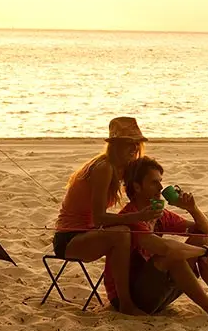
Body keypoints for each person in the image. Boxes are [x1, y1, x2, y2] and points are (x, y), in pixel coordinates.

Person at [106, 157, 208, 319]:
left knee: (200, 240)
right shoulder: (130, 217)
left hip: (155, 290)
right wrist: (204, 252)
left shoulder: (159, 214)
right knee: (174, 257)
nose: (160, 188)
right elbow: (164, 248)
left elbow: (206, 232)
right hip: (130, 299)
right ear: (137, 187)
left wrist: (192, 208)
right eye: (154, 183)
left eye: (161, 182)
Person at [53, 117, 161, 306]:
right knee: (122, 234)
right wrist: (138, 216)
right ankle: (125, 302)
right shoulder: (103, 168)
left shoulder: (121, 169)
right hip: (70, 238)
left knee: (135, 229)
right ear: (115, 145)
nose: (134, 148)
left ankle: (142, 288)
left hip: (90, 233)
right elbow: (99, 218)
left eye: (136, 144)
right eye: (128, 143)